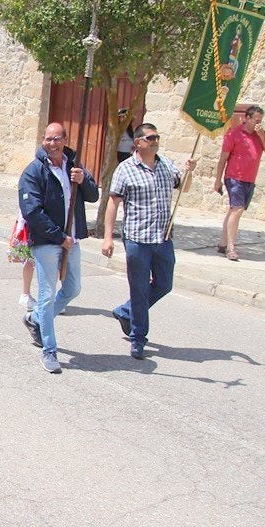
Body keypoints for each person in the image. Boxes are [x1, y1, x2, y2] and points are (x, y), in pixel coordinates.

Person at [102, 123, 197, 359]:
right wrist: (107, 237)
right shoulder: (125, 169)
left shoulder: (166, 165)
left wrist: (190, 172)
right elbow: (113, 203)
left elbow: (183, 189)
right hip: (137, 239)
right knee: (140, 288)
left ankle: (126, 311)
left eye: (157, 136)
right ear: (138, 143)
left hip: (163, 238)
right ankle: (138, 338)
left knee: (164, 284)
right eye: (151, 137)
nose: (155, 141)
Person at [17, 122, 100, 374]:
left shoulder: (74, 166)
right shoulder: (33, 171)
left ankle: (36, 319)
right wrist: (57, 236)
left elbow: (93, 195)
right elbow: (31, 211)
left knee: (73, 288)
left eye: (56, 139)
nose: (52, 143)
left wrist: (83, 180)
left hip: (71, 240)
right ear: (43, 140)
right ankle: (49, 350)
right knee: (46, 295)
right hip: (46, 242)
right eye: (48, 139)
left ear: (64, 140)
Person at [213, 105, 265, 261]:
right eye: (256, 120)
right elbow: (223, 159)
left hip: (249, 179)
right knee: (238, 209)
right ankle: (231, 248)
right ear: (247, 118)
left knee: (234, 210)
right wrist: (218, 180)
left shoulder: (260, 135)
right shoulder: (233, 134)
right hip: (234, 178)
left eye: (260, 121)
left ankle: (222, 243)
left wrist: (263, 136)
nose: (258, 124)